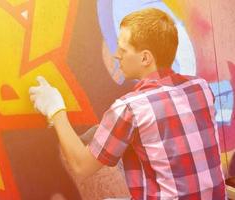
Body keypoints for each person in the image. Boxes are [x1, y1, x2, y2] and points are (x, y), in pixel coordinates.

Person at [29, 8, 226, 199]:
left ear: (145, 58)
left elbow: (81, 166)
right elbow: (167, 124)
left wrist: (56, 110)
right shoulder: (201, 88)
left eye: (123, 50)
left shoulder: (131, 108)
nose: (117, 55)